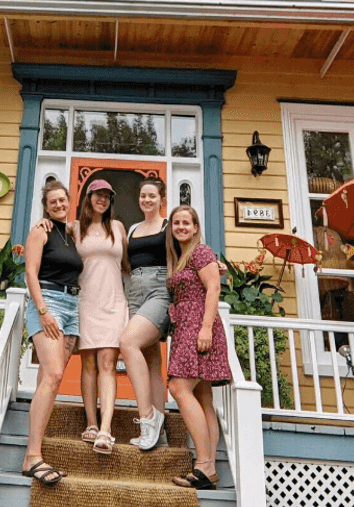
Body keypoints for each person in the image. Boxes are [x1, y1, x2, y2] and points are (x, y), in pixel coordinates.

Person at [19, 181, 84, 487]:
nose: (58, 205)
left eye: (62, 200)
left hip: (71, 306)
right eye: (52, 202)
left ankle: (36, 450)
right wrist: (43, 310)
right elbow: (30, 272)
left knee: (49, 376)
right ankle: (32, 456)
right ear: (45, 205)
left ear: (68, 201)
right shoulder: (40, 231)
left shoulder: (69, 232)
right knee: (54, 375)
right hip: (49, 303)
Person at [165, 205, 230, 490]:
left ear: (195, 227)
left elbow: (213, 288)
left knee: (179, 387)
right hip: (186, 327)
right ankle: (209, 471)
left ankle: (203, 465)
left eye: (186, 223)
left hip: (198, 327)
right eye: (176, 223)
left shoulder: (201, 252)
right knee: (203, 397)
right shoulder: (181, 256)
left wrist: (205, 328)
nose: (181, 227)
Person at [73, 180, 129, 454]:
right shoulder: (74, 228)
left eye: (107, 196)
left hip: (114, 302)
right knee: (89, 365)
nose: (103, 200)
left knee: (108, 363)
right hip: (85, 302)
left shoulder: (118, 228)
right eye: (99, 195)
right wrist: (43, 223)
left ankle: (106, 429)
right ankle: (91, 423)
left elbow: (131, 264)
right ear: (89, 197)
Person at [120, 177, 171, 450]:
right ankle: (159, 431)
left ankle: (147, 417)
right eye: (143, 196)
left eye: (152, 196)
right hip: (134, 292)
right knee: (151, 359)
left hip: (159, 290)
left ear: (162, 199)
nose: (147, 200)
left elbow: (189, 248)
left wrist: (210, 264)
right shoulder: (133, 228)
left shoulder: (168, 226)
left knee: (128, 343)